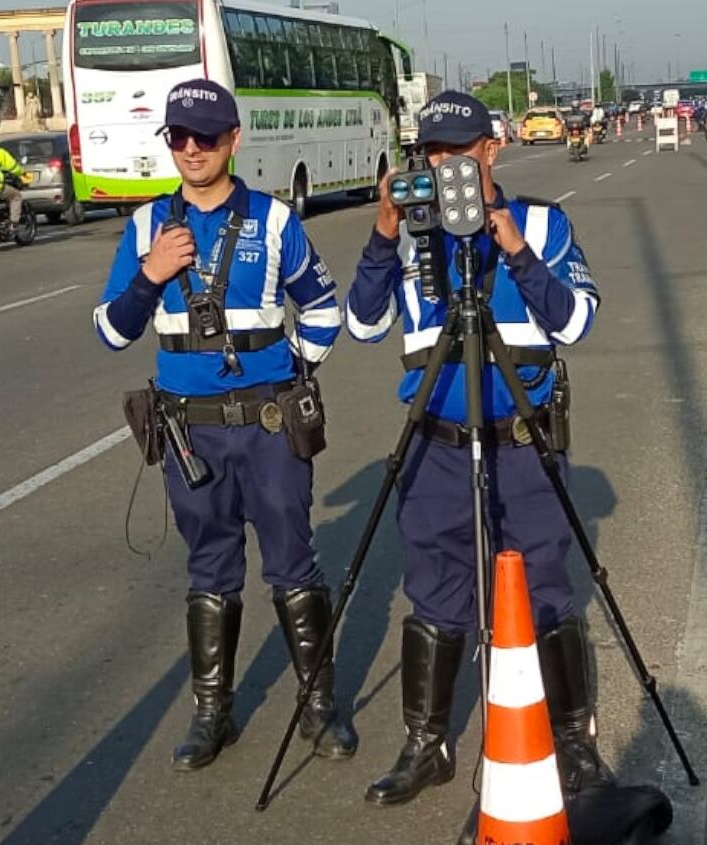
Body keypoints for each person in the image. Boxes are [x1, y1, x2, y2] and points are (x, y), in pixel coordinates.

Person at [345, 91, 610, 807]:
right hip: (435, 441)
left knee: (546, 589)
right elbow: (363, 325)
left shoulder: (543, 223)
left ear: (491, 149)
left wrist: (515, 252)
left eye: (458, 150)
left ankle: (573, 741)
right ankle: (425, 743)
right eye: (431, 152)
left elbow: (577, 321)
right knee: (433, 591)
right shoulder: (408, 235)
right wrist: (382, 231)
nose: (444, 165)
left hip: (520, 442)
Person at [91, 79, 348, 771]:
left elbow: (324, 308)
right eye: (180, 137)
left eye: (207, 137)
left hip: (268, 424)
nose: (193, 149)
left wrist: (293, 369)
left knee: (293, 561)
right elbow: (112, 332)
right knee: (210, 568)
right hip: (188, 433)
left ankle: (318, 705)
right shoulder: (148, 227)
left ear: (234, 140)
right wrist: (149, 276)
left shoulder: (273, 220)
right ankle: (214, 713)